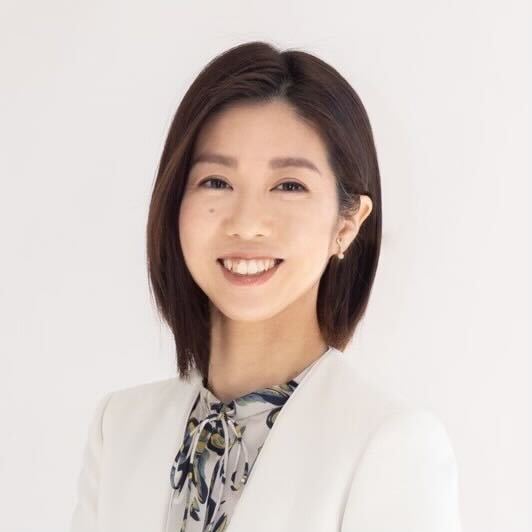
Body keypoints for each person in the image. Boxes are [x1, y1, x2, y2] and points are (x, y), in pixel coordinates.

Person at [70, 41, 462, 532]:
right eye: (216, 181)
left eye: (289, 186)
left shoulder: (389, 445)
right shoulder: (120, 428)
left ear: (347, 223)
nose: (247, 222)